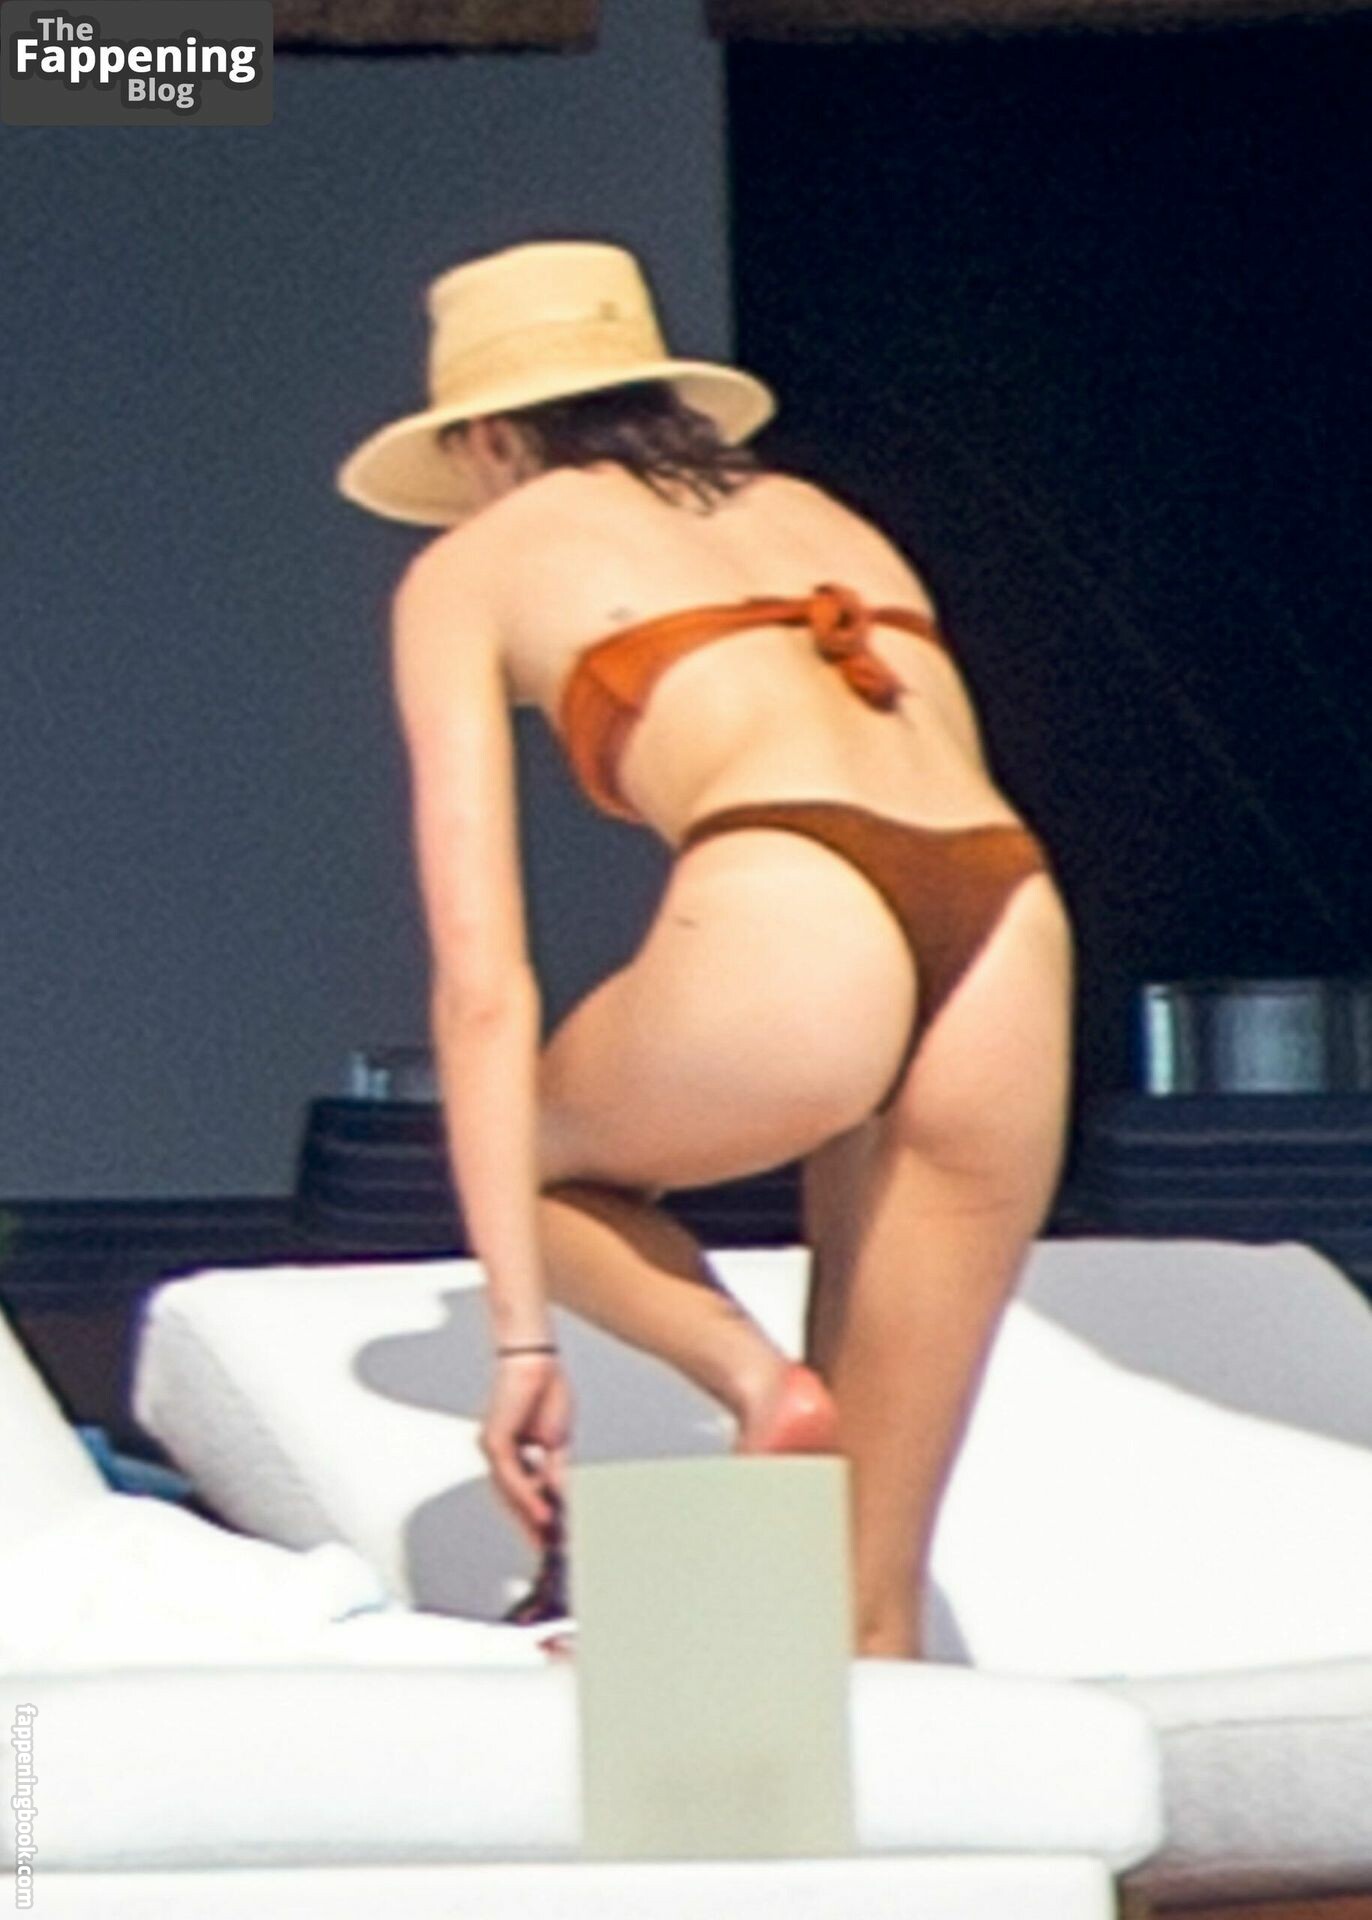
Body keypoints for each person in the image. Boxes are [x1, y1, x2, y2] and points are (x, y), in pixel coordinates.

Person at [336, 239, 1075, 1659]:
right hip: (1008, 916)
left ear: (487, 440)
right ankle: (824, 1722)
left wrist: (523, 1342)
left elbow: (482, 982)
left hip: (794, 894)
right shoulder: (827, 518)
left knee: (524, 1154)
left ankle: (751, 1381)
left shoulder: (473, 565)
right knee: (869, 1604)